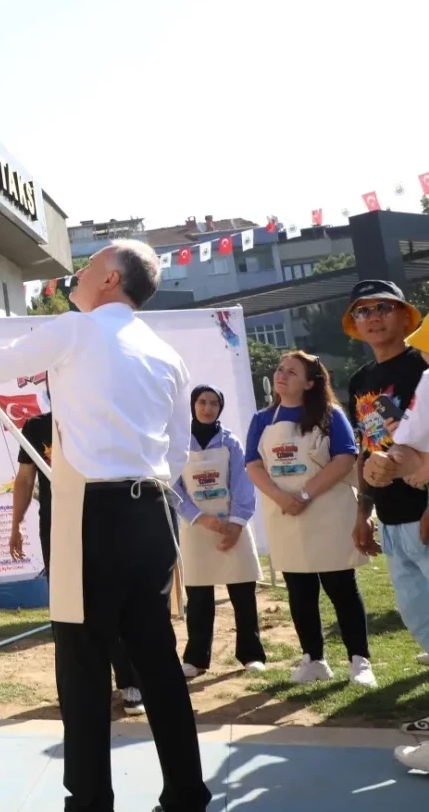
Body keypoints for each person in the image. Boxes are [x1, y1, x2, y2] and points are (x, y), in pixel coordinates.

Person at [0, 239, 208, 812]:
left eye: (87, 267)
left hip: (93, 515)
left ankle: (88, 801)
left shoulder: (76, 329)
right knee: (157, 657)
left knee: (82, 661)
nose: (75, 276)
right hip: (153, 513)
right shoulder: (166, 353)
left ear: (111, 279)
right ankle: (186, 794)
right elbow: (179, 450)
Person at [243, 350, 373, 686]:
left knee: (341, 587)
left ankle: (360, 661)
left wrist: (303, 495)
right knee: (299, 590)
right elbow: (253, 465)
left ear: (310, 383)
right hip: (285, 514)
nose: (281, 375)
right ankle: (313, 659)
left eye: (292, 372)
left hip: (328, 511)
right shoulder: (262, 419)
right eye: (280, 369)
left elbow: (344, 459)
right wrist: (281, 498)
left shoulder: (330, 415)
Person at [12, 408, 146, 716]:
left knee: (111, 599)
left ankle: (130, 683)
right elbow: (25, 479)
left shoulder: (98, 413)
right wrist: (15, 524)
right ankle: (79, 688)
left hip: (102, 522)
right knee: (66, 606)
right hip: (57, 527)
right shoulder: (36, 426)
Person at [346, 281, 429, 671]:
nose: (373, 317)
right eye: (362, 311)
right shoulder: (360, 380)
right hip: (391, 520)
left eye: (383, 307)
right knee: (416, 616)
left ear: (405, 314)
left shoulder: (423, 365)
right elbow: (366, 448)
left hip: (424, 510)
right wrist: (363, 514)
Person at [170, 385, 266, 678]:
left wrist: (235, 524)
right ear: (192, 405)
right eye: (202, 402)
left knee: (243, 593)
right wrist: (199, 517)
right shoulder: (178, 443)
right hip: (196, 528)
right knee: (199, 598)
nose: (207, 408)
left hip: (232, 525)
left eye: (214, 403)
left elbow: (243, 483)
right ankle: (196, 659)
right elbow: (173, 487)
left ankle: (251, 654)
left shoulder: (231, 442)